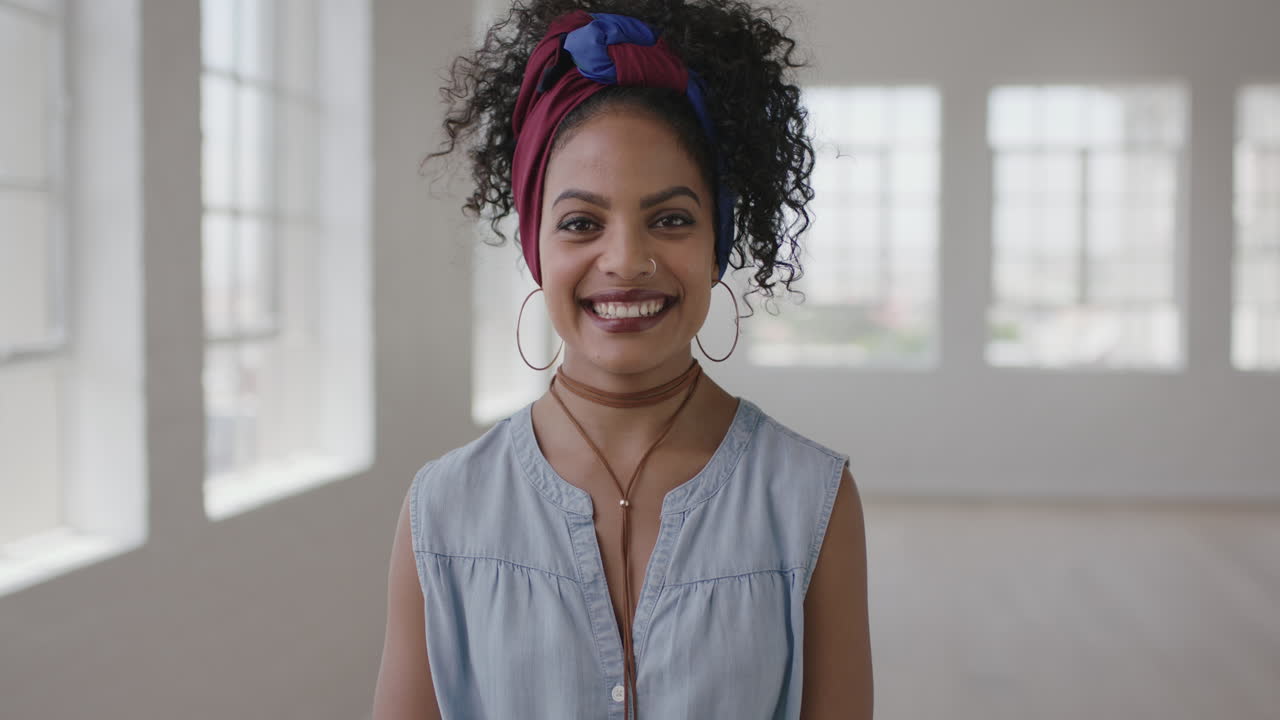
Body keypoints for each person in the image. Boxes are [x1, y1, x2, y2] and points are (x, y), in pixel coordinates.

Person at [373, 2, 873, 718]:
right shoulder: (443, 510)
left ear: (717, 242)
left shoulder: (811, 500)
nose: (627, 260)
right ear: (534, 246)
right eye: (582, 223)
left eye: (671, 219)